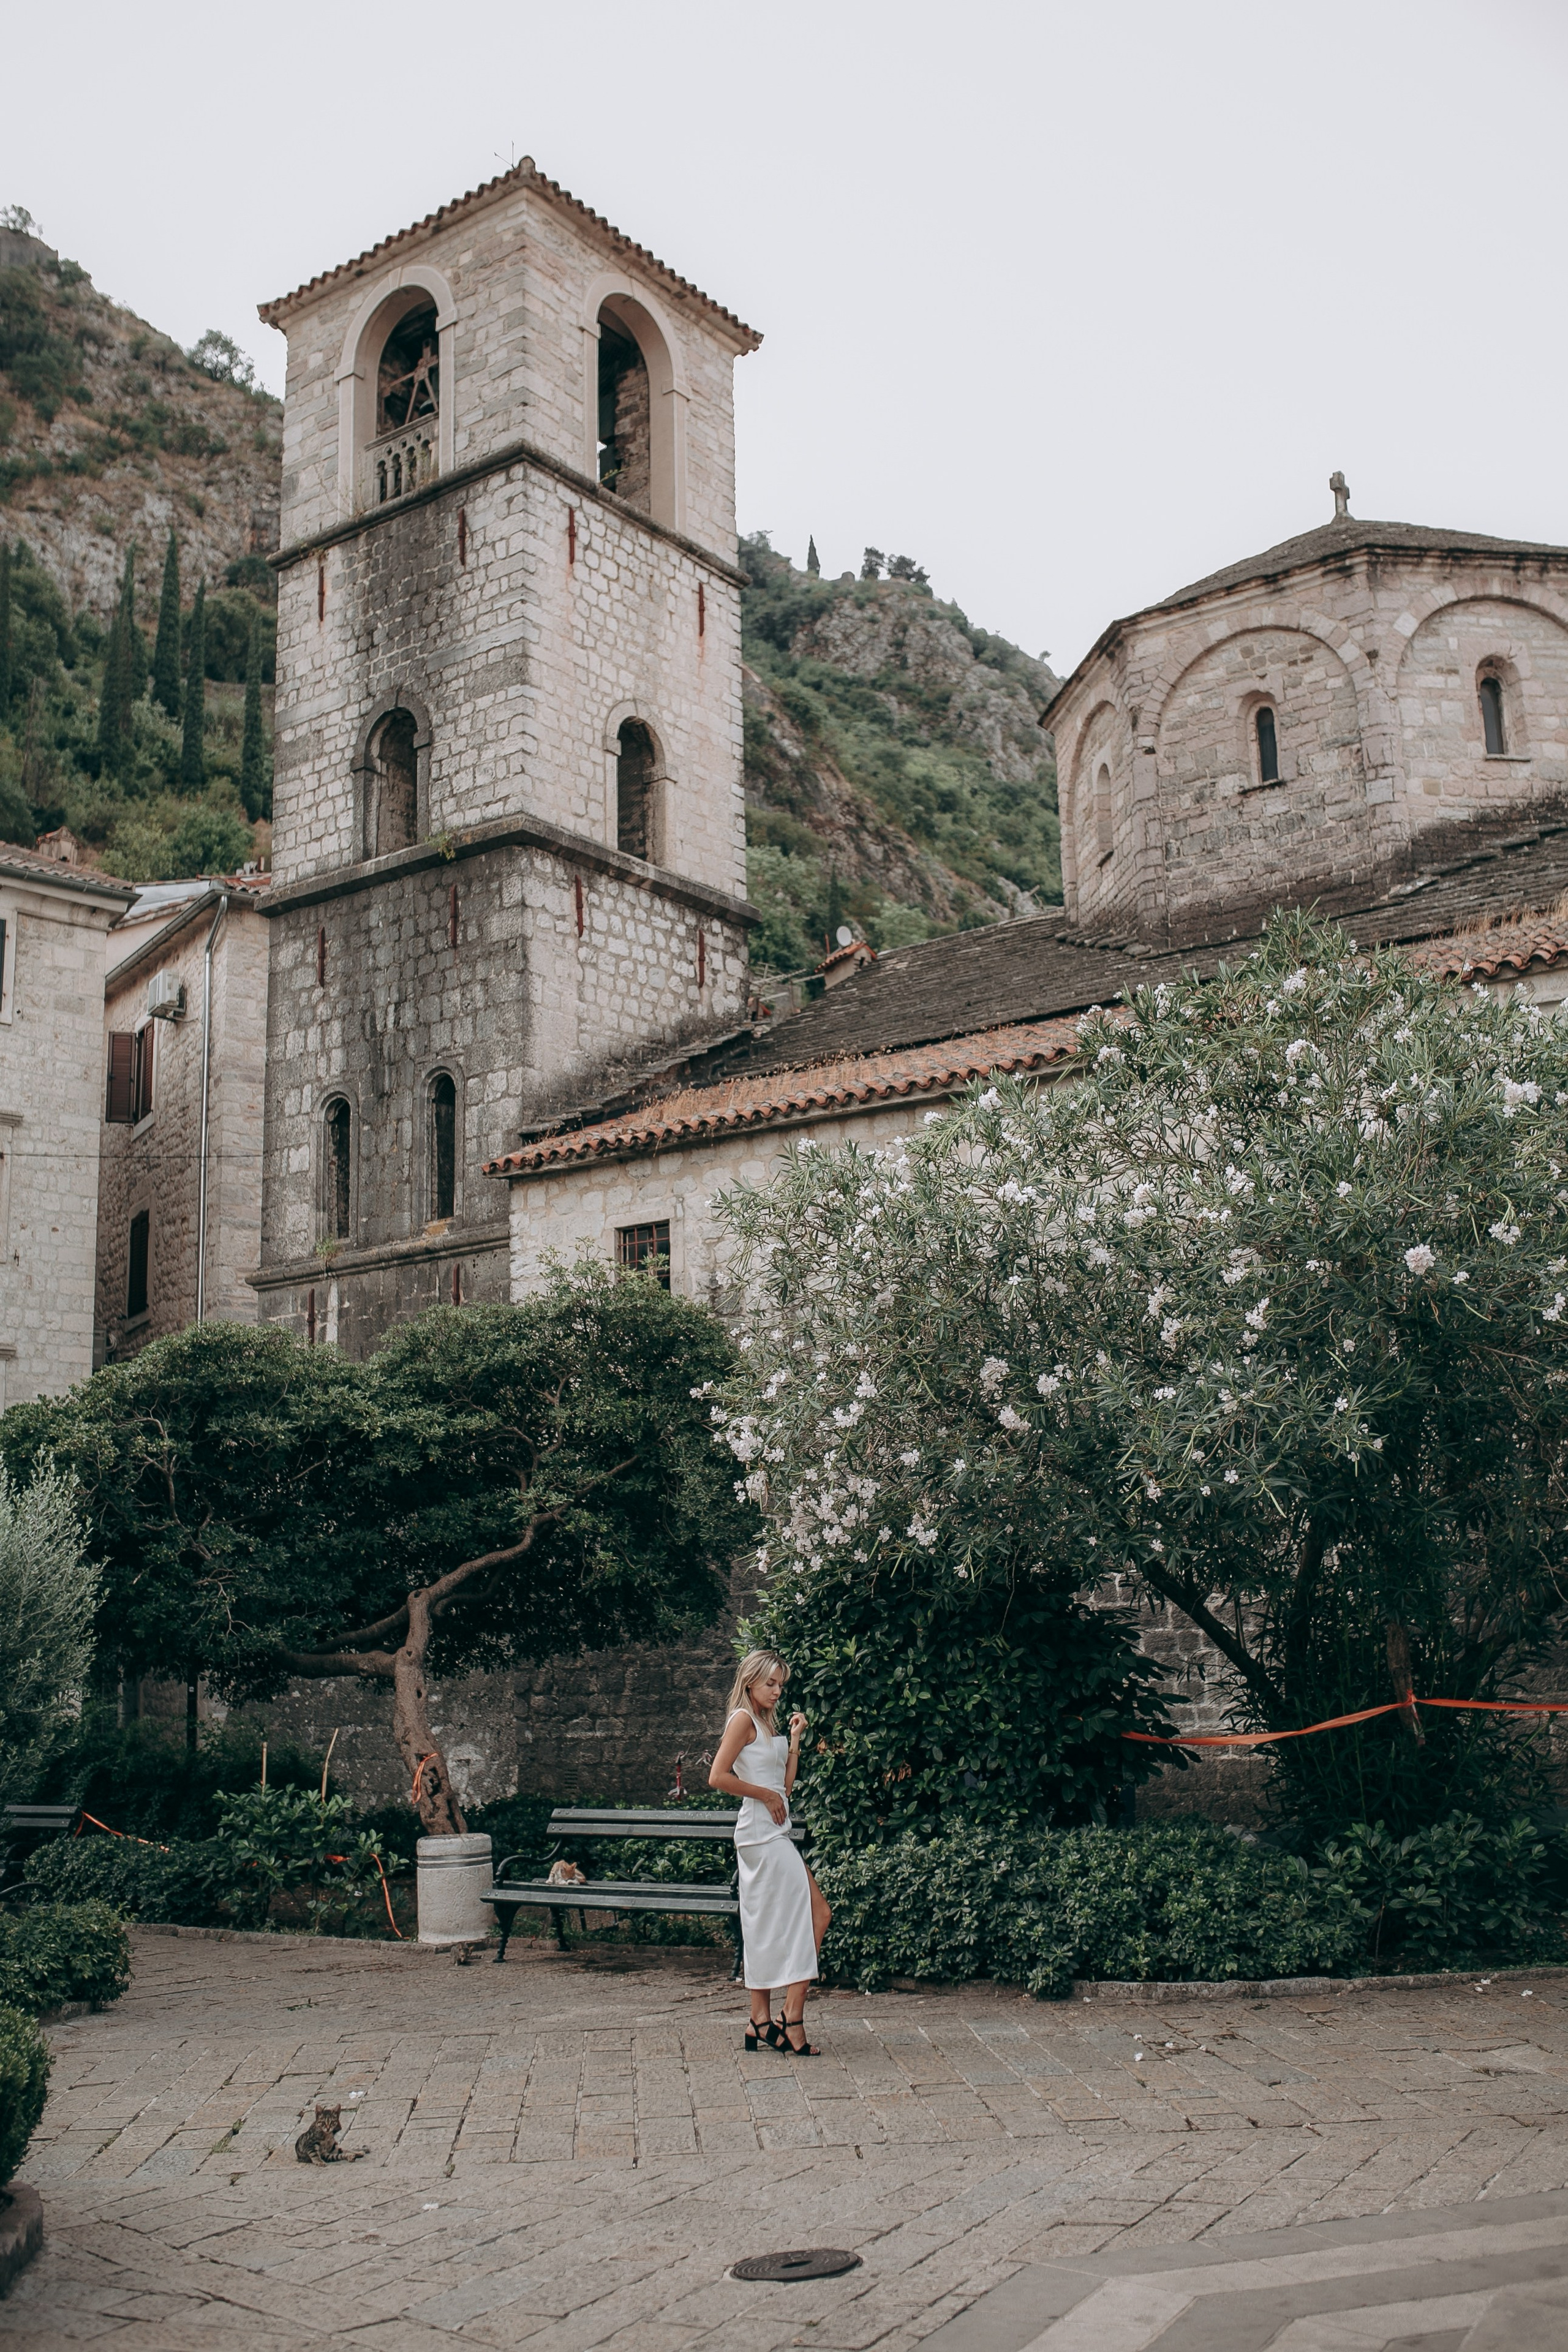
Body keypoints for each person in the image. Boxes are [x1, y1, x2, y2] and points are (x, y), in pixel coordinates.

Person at [708, 1647, 831, 2055]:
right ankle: (789, 2018)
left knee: (772, 1924)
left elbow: (786, 1786)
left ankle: (762, 2020)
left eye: (781, 1684)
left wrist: (794, 1741)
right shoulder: (742, 1720)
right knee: (819, 1913)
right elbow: (717, 1777)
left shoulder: (763, 1722)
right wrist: (762, 1794)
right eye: (770, 1683)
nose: (778, 1691)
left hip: (773, 1832)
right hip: (761, 1835)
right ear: (750, 1683)